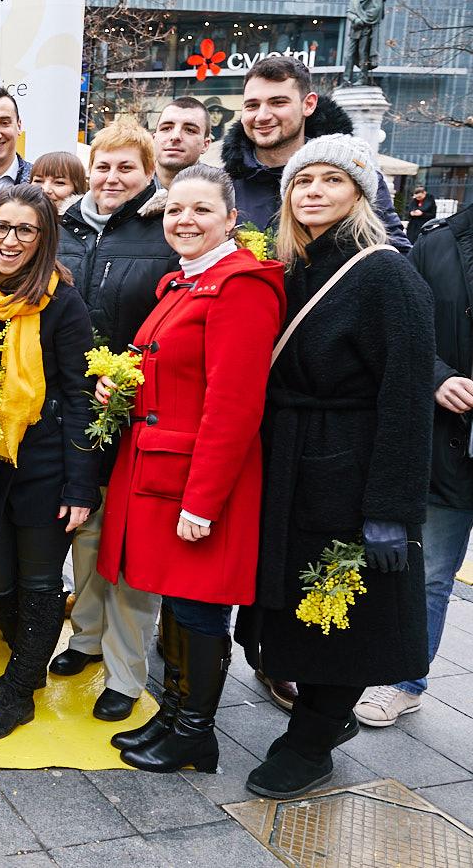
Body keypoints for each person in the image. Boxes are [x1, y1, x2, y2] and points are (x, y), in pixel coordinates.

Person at [242, 135, 434, 800]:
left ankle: (313, 736)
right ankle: (319, 717)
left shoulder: (387, 274)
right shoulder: (289, 267)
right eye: (302, 181)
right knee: (293, 607)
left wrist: (391, 509)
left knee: (343, 612)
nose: (313, 191)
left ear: (360, 193)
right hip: (289, 459)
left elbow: (408, 399)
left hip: (349, 470)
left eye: (332, 180)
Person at [96, 165, 285, 772]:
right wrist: (121, 389)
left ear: (232, 219)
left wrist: (203, 502)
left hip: (198, 483)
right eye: (176, 210)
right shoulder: (184, 284)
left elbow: (233, 406)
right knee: (179, 603)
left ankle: (196, 732)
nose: (185, 221)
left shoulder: (241, 286)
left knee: (201, 608)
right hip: (160, 474)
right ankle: (176, 713)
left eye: (202, 210)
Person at [0, 184, 98, 741]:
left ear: (43, 238)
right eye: (2, 228)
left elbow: (80, 397)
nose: (10, 240)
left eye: (25, 230)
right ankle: (24, 663)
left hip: (45, 465)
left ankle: (20, 686)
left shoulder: (61, 303)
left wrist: (80, 486)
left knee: (37, 582)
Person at [53, 116, 175, 723]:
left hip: (137, 414)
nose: (112, 177)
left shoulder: (163, 234)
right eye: (103, 165)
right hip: (74, 414)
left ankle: (126, 671)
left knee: (133, 550)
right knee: (88, 530)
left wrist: (130, 382)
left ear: (149, 174)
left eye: (127, 167)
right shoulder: (63, 227)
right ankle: (84, 636)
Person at [356, 203, 473, 728]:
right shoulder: (439, 244)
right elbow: (404, 335)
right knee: (429, 572)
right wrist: (438, 376)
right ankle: (404, 681)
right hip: (451, 439)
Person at [221, 57, 409, 250]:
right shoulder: (223, 184)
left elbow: (395, 250)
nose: (262, 116)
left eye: (278, 103)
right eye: (252, 105)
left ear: (308, 104)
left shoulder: (354, 173)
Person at [153, 97, 212, 190]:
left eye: (190, 130)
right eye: (166, 128)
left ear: (205, 144)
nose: (175, 136)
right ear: (154, 138)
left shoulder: (221, 191)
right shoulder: (129, 186)